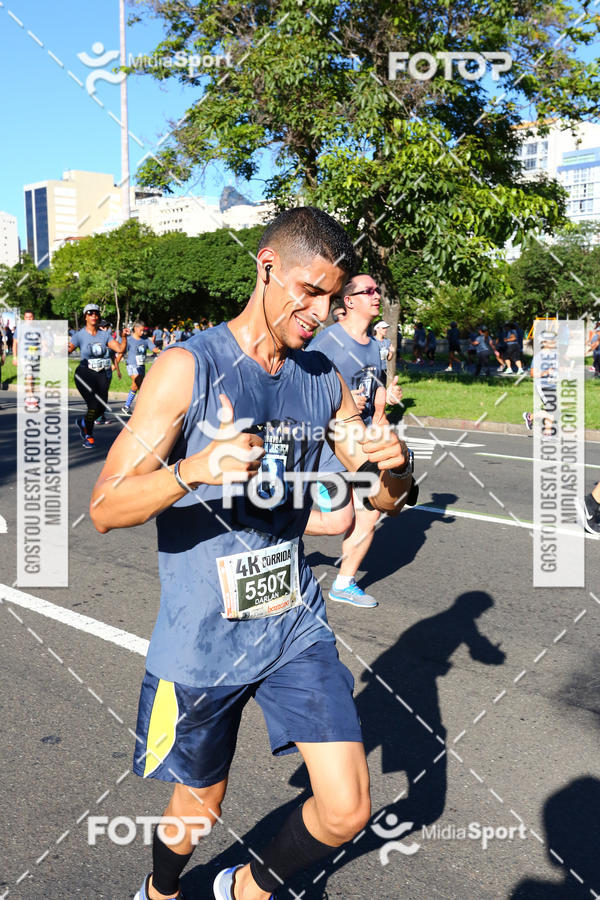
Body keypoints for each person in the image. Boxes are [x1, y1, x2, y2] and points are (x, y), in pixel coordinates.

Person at [90, 207, 413, 900]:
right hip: (202, 641)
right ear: (265, 265)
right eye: (308, 290)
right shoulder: (187, 368)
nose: (320, 311)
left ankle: (248, 889)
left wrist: (394, 464)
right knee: (195, 811)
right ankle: (161, 890)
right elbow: (105, 508)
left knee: (348, 807)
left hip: (292, 622)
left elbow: (380, 501)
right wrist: (194, 470)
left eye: (332, 296)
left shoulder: (322, 376)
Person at [304, 274, 408, 609]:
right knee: (338, 521)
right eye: (369, 291)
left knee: (369, 515)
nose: (376, 296)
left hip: (363, 444)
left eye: (378, 290)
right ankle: (274, 523)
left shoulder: (374, 347)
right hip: (330, 448)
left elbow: (374, 388)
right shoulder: (326, 343)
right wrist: (341, 402)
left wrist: (383, 405)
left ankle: (344, 584)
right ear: (348, 301)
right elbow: (304, 392)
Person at [68, 304, 127, 448]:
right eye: (90, 313)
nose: (93, 315)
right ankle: (88, 435)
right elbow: (68, 349)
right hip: (84, 374)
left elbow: (119, 349)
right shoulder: (79, 335)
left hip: (101, 375)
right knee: (93, 406)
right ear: (85, 316)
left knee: (101, 408)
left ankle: (83, 423)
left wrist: (124, 337)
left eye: (96, 313)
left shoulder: (104, 335)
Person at [120, 320, 160, 416]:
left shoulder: (145, 340)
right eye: (141, 330)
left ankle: (126, 406)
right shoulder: (129, 339)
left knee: (135, 386)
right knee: (139, 383)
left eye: (143, 330)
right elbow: (122, 350)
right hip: (131, 365)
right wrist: (116, 364)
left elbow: (153, 348)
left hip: (141, 366)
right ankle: (144, 406)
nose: (142, 332)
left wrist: (162, 351)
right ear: (135, 329)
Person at [13, 310, 38, 411]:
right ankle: (30, 397)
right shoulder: (20, 328)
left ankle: (29, 396)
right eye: (27, 317)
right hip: (24, 357)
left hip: (34, 357)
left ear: (33, 318)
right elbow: (15, 343)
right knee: (29, 376)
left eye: (31, 317)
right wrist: (14, 357)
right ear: (24, 318)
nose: (29, 319)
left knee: (32, 378)